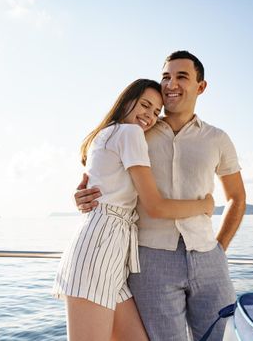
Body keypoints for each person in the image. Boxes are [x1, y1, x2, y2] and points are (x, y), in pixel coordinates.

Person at [74, 51, 246, 341]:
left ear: (201, 87)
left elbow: (237, 198)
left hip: (208, 257)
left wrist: (219, 248)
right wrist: (83, 197)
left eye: (181, 76)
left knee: (222, 336)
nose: (171, 83)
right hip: (150, 260)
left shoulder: (217, 139)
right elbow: (104, 173)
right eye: (166, 76)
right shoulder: (139, 131)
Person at [53, 78, 215, 341]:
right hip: (100, 248)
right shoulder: (129, 133)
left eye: (155, 112)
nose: (149, 116)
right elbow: (155, 205)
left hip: (113, 252)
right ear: (126, 101)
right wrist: (205, 205)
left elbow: (101, 184)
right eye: (144, 105)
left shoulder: (110, 133)